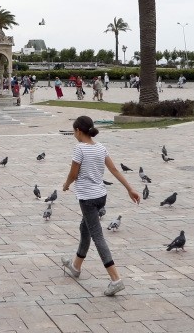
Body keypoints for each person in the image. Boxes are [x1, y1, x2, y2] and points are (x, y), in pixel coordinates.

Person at [61, 115, 141, 297]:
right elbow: (114, 170)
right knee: (85, 228)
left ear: (78, 131)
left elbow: (73, 174)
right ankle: (76, 266)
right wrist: (130, 189)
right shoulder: (100, 147)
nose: (74, 135)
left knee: (97, 236)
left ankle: (116, 279)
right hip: (100, 196)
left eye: (74, 132)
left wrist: (66, 185)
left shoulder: (79, 148)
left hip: (87, 198)